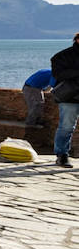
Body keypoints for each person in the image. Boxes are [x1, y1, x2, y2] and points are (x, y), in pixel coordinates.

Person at [49, 33, 79, 167]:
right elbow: (58, 74)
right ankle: (62, 155)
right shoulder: (62, 56)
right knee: (66, 127)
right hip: (69, 97)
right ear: (78, 40)